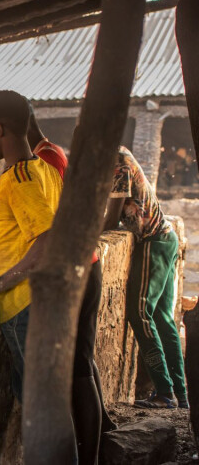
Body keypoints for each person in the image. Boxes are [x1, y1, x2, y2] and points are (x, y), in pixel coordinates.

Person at [0, 90, 103, 463]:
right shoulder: (45, 170)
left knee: (42, 409)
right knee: (52, 402)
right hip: (46, 300)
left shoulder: (18, 178)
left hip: (24, 306)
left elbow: (48, 238)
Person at [104, 146, 188, 409]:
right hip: (165, 238)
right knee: (163, 319)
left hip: (153, 241)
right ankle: (180, 394)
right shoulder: (121, 155)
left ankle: (164, 391)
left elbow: (110, 220)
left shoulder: (118, 163)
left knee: (139, 313)